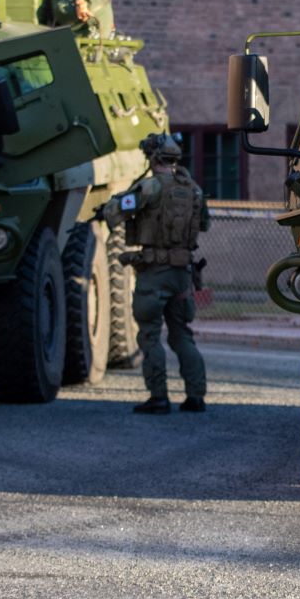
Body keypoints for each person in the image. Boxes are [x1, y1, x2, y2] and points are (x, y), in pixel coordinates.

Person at [100, 133, 209, 414]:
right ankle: (196, 396)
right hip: (183, 274)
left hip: (154, 273)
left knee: (149, 335)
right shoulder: (195, 190)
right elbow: (204, 224)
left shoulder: (150, 187)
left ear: (153, 158)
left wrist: (105, 210)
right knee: (182, 335)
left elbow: (116, 209)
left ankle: (159, 397)